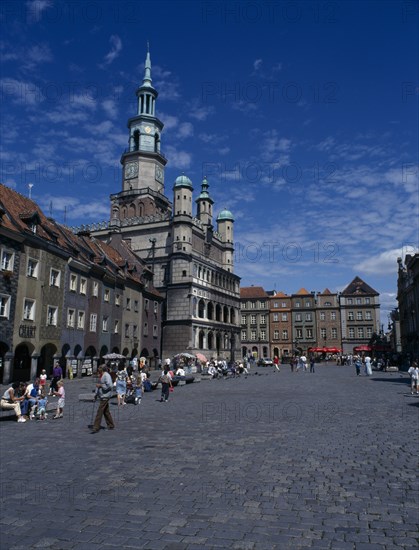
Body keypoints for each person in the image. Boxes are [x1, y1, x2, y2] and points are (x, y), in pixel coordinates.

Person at [91, 366, 115, 433]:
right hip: (102, 395)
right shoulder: (102, 375)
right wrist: (96, 394)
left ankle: (96, 427)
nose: (98, 371)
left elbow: (110, 385)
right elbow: (99, 385)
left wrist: (101, 386)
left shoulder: (106, 375)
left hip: (105, 396)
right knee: (106, 411)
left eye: (99, 370)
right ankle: (111, 425)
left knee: (100, 411)